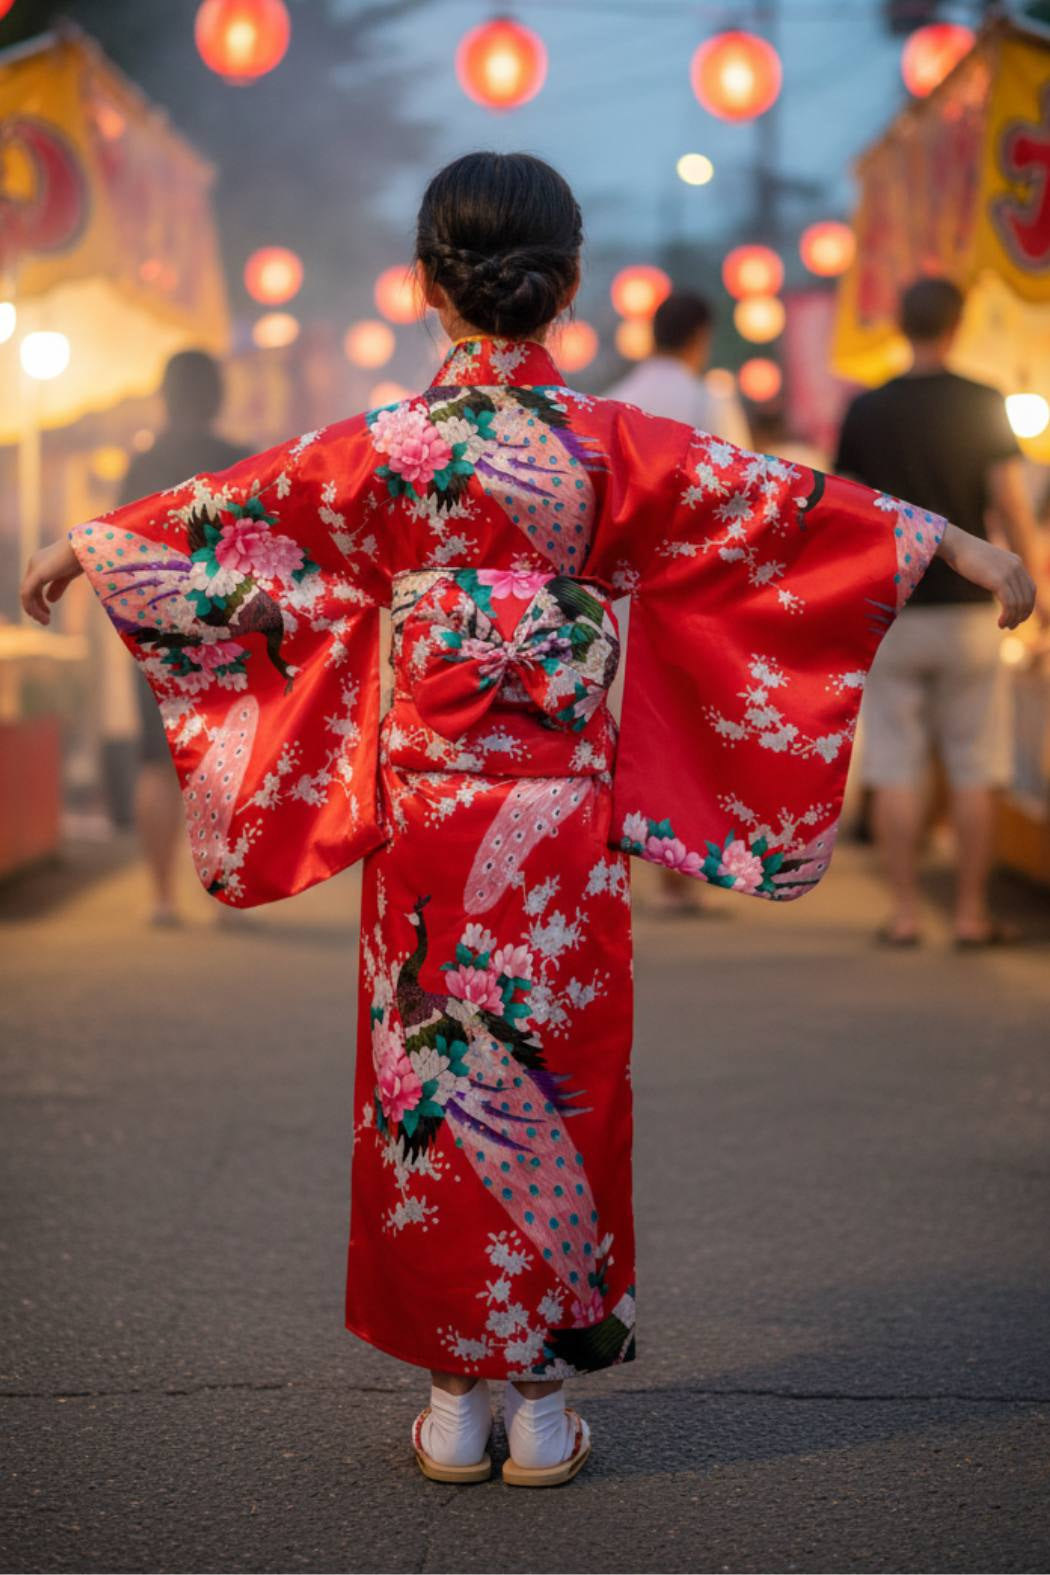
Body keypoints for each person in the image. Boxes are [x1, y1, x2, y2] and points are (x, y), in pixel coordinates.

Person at [22, 154, 1034, 1488]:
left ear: (428, 286)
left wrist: (101, 545)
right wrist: (951, 542)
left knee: (423, 1085)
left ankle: (454, 1395)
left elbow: (248, 508)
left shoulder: (387, 445)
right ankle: (544, 1401)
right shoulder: (612, 442)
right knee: (564, 1082)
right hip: (558, 820)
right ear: (562, 285)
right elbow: (769, 508)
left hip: (428, 816)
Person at [835, 277, 1046, 948]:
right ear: (957, 325)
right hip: (971, 614)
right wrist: (1034, 596)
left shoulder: (866, 409)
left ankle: (902, 913)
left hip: (891, 612)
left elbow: (850, 517)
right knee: (975, 760)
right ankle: (969, 914)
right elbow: (1012, 510)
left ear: (900, 325)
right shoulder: (984, 403)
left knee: (894, 761)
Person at [606, 290, 751, 914]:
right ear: (700, 337)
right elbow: (743, 491)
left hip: (619, 590)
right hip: (690, 590)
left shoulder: (612, 401)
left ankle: (624, 862)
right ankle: (676, 866)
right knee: (681, 730)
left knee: (623, 727)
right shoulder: (707, 400)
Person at [121, 352, 250, 925]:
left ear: (164, 395)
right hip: (219, 628)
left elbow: (119, 550)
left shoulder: (141, 464)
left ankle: (160, 898)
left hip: (152, 626)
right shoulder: (236, 461)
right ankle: (225, 901)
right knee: (222, 763)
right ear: (217, 396)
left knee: (156, 765)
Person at [606, 288, 751, 447]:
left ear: (653, 334)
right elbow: (738, 468)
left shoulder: (614, 400)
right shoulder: (710, 403)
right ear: (700, 336)